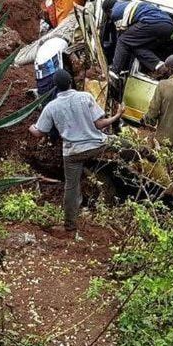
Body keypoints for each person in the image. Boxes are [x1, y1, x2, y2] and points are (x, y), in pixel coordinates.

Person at [28, 69, 125, 232]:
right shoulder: (85, 97)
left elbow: (39, 133)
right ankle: (146, 154)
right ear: (71, 82)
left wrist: (31, 127)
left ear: (55, 87)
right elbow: (100, 124)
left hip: (73, 153)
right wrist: (117, 115)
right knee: (125, 144)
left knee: (71, 187)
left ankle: (70, 225)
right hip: (97, 145)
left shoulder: (51, 107)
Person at [102, 0, 173, 80]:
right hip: (168, 25)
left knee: (123, 40)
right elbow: (131, 40)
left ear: (108, 10)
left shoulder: (115, 12)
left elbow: (120, 38)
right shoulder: (126, 4)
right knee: (136, 46)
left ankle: (115, 71)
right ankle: (159, 66)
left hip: (153, 23)